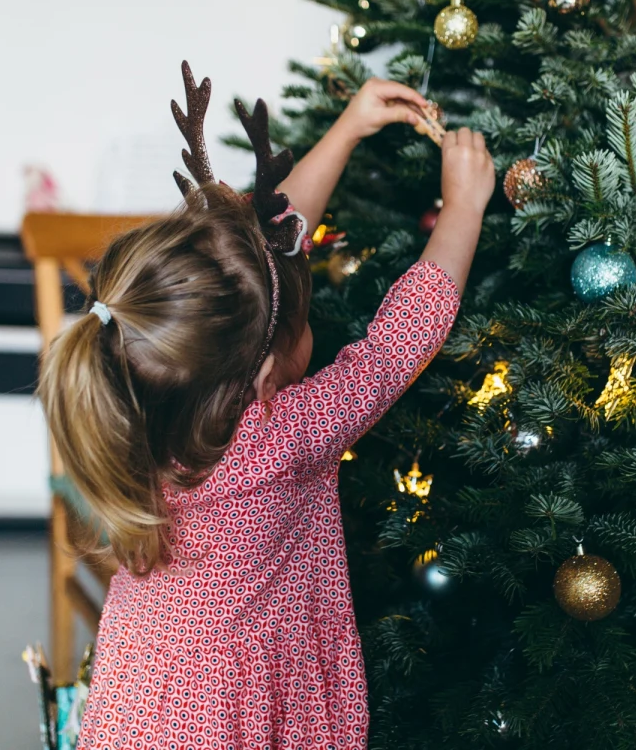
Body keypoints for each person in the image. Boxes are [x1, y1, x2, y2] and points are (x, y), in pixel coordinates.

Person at [37, 65, 496, 749]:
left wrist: (349, 126)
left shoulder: (133, 405)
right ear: (261, 376)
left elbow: (261, 256)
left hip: (146, 695)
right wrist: (464, 207)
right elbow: (393, 347)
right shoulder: (287, 435)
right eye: (302, 319)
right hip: (241, 710)